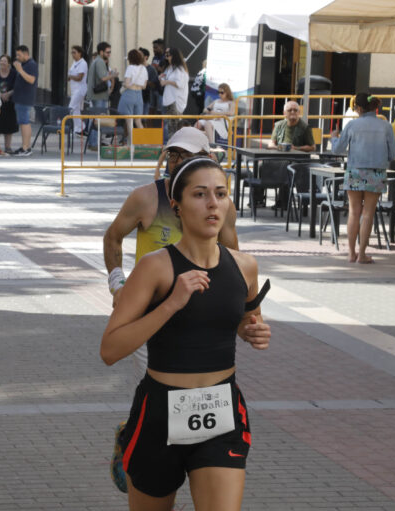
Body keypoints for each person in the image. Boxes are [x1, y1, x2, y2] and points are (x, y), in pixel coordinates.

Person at [100, 156, 270, 510]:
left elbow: (246, 319)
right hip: (159, 412)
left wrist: (252, 332)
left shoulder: (245, 266)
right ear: (176, 206)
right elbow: (110, 349)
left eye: (221, 194)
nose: (212, 203)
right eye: (200, 194)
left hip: (220, 409)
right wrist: (171, 304)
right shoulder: (154, 268)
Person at [331, 92, 395, 264]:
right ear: (375, 107)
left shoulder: (352, 125)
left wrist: (332, 137)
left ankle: (351, 253)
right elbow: (393, 154)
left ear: (358, 108)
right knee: (368, 214)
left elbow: (337, 150)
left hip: (355, 171)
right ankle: (362, 254)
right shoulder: (386, 126)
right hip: (376, 172)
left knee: (353, 212)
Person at [87, 42, 119, 148]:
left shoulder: (96, 61)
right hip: (99, 95)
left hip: (96, 94)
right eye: (107, 52)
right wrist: (113, 75)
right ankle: (94, 143)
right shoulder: (100, 62)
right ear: (101, 52)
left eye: (110, 52)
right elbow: (103, 78)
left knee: (95, 119)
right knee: (98, 120)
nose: (109, 54)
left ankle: (93, 142)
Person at [11, 45, 38, 156]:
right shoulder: (25, 64)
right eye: (16, 55)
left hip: (24, 99)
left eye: (19, 55)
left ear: (26, 54)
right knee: (23, 123)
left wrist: (20, 70)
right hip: (20, 98)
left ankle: (25, 147)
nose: (17, 57)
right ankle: (25, 146)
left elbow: (31, 80)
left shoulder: (31, 65)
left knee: (24, 123)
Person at [159, 47, 189, 139]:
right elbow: (163, 80)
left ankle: (174, 145)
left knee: (174, 125)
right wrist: (161, 77)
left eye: (168, 54)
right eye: (165, 54)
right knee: (170, 125)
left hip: (175, 100)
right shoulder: (170, 68)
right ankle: (170, 144)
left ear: (173, 56)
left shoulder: (180, 69)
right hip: (169, 99)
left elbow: (180, 84)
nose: (166, 56)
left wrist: (167, 82)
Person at [118, 49, 148, 138]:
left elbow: (127, 84)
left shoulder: (130, 68)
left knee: (129, 121)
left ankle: (131, 143)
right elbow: (144, 86)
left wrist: (123, 84)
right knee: (138, 121)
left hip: (129, 95)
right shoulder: (144, 69)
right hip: (139, 95)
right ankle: (144, 142)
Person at [0, 54, 18, 153]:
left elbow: (17, 86)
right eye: (1, 61)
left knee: (9, 125)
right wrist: (0, 94)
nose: (2, 62)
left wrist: (8, 94)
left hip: (10, 103)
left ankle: (8, 147)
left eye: (5, 61)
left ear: (8, 63)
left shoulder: (14, 73)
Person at [68, 46, 88, 136]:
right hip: (73, 89)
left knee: (71, 107)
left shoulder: (83, 63)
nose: (73, 54)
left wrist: (71, 77)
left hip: (80, 89)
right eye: (72, 52)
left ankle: (81, 126)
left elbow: (80, 77)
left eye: (74, 52)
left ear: (80, 53)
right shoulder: (74, 63)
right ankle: (78, 129)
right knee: (76, 109)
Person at [139, 48, 159, 118]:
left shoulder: (151, 69)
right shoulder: (135, 68)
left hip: (146, 98)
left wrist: (144, 81)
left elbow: (154, 84)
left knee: (145, 119)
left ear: (146, 57)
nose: (138, 56)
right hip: (136, 97)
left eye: (140, 54)